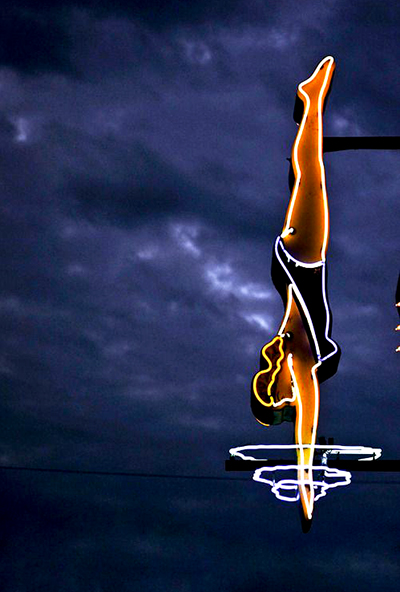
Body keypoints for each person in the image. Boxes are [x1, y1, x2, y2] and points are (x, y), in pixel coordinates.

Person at [251, 56, 341, 525]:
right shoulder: (296, 354)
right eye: (287, 401)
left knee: (311, 175)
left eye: (281, 397)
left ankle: (312, 98)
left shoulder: (298, 361)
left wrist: (306, 487)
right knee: (304, 178)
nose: (292, 399)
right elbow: (303, 424)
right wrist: (306, 490)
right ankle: (310, 104)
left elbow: (307, 427)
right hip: (291, 266)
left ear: (276, 383)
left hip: (301, 262)